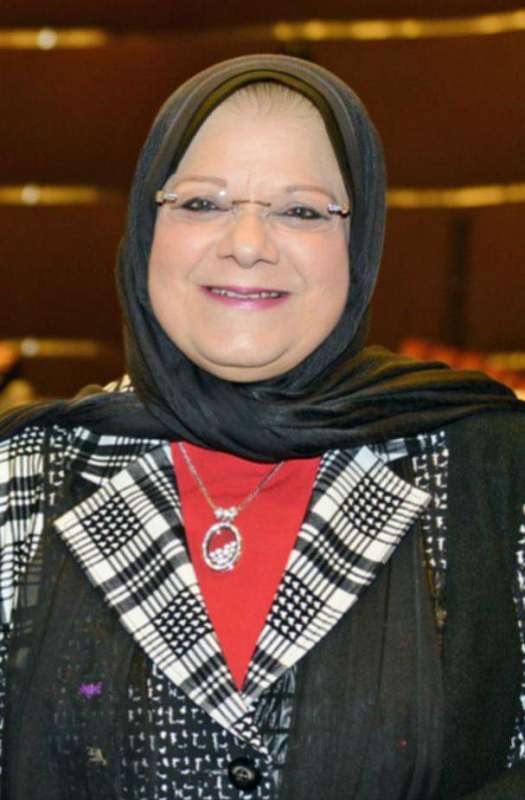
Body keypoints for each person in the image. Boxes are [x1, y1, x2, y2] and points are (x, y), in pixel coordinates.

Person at [0, 54, 524, 800]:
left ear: (361, 243)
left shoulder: (490, 470)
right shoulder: (24, 474)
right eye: (201, 203)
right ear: (146, 229)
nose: (247, 243)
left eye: (301, 211)